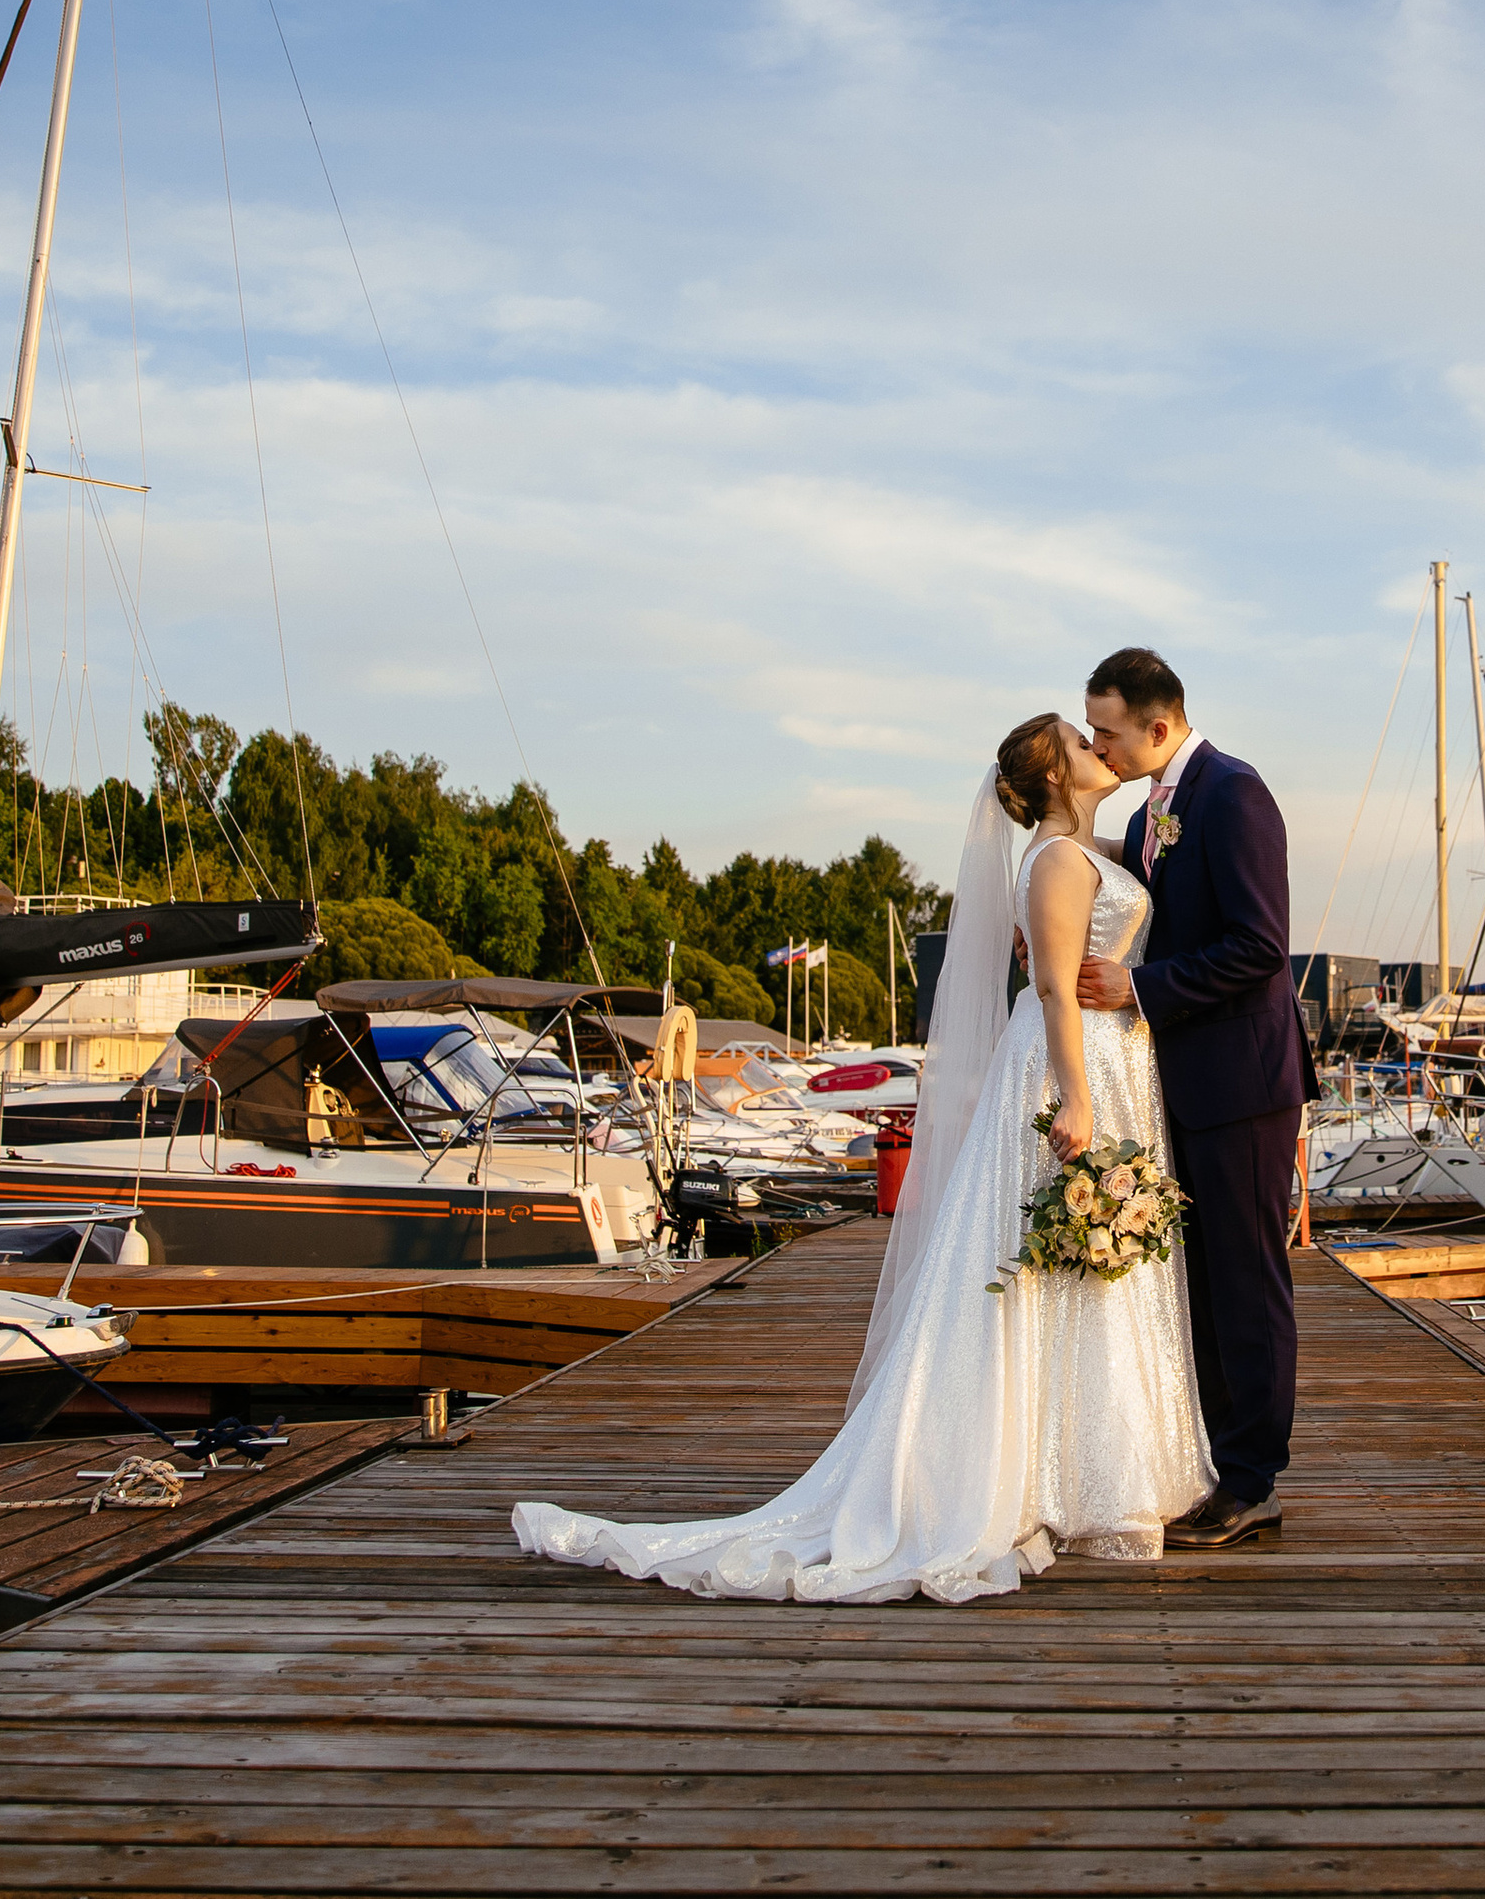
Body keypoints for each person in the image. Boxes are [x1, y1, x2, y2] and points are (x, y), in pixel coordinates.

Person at [507, 715, 1211, 1604]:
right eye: (1082, 743)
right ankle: (1051, 1478)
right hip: (1074, 1060)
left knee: (1073, 1264)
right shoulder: (1060, 862)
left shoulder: (1085, 847)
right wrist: (1076, 1096)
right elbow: (1053, 990)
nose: (1100, 750)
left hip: (1111, 1056)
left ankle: (1077, 1471)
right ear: (1054, 777)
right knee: (1055, 1258)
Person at [1077, 647, 1312, 1548]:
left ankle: (1254, 1481)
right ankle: (1217, 1463)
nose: (1100, 743)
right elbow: (1134, 889)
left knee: (1246, 1283)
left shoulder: (1234, 794)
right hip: (1182, 1083)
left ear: (1159, 726)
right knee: (1202, 1284)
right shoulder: (1150, 811)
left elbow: (1261, 947)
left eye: (1109, 729)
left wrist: (1140, 990)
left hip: (1245, 1083)